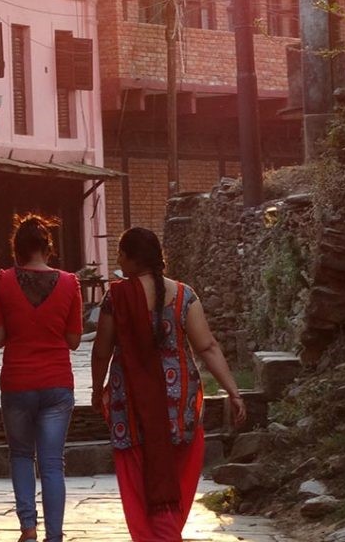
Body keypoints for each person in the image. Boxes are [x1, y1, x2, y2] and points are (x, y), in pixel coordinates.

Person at [91, 227, 247, 542]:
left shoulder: (118, 297)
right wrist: (233, 390)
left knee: (141, 491)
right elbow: (208, 347)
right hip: (180, 409)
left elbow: (101, 350)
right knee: (170, 490)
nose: (119, 260)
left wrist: (97, 390)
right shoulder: (184, 295)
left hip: (132, 409)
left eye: (121, 254)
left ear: (130, 259)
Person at [0, 214, 83, 542]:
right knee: (53, 464)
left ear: (17, 249)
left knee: (21, 455)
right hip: (57, 382)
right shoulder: (71, 283)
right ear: (48, 247)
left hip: (17, 382)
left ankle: (28, 528)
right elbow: (73, 340)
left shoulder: (1, 282)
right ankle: (54, 536)